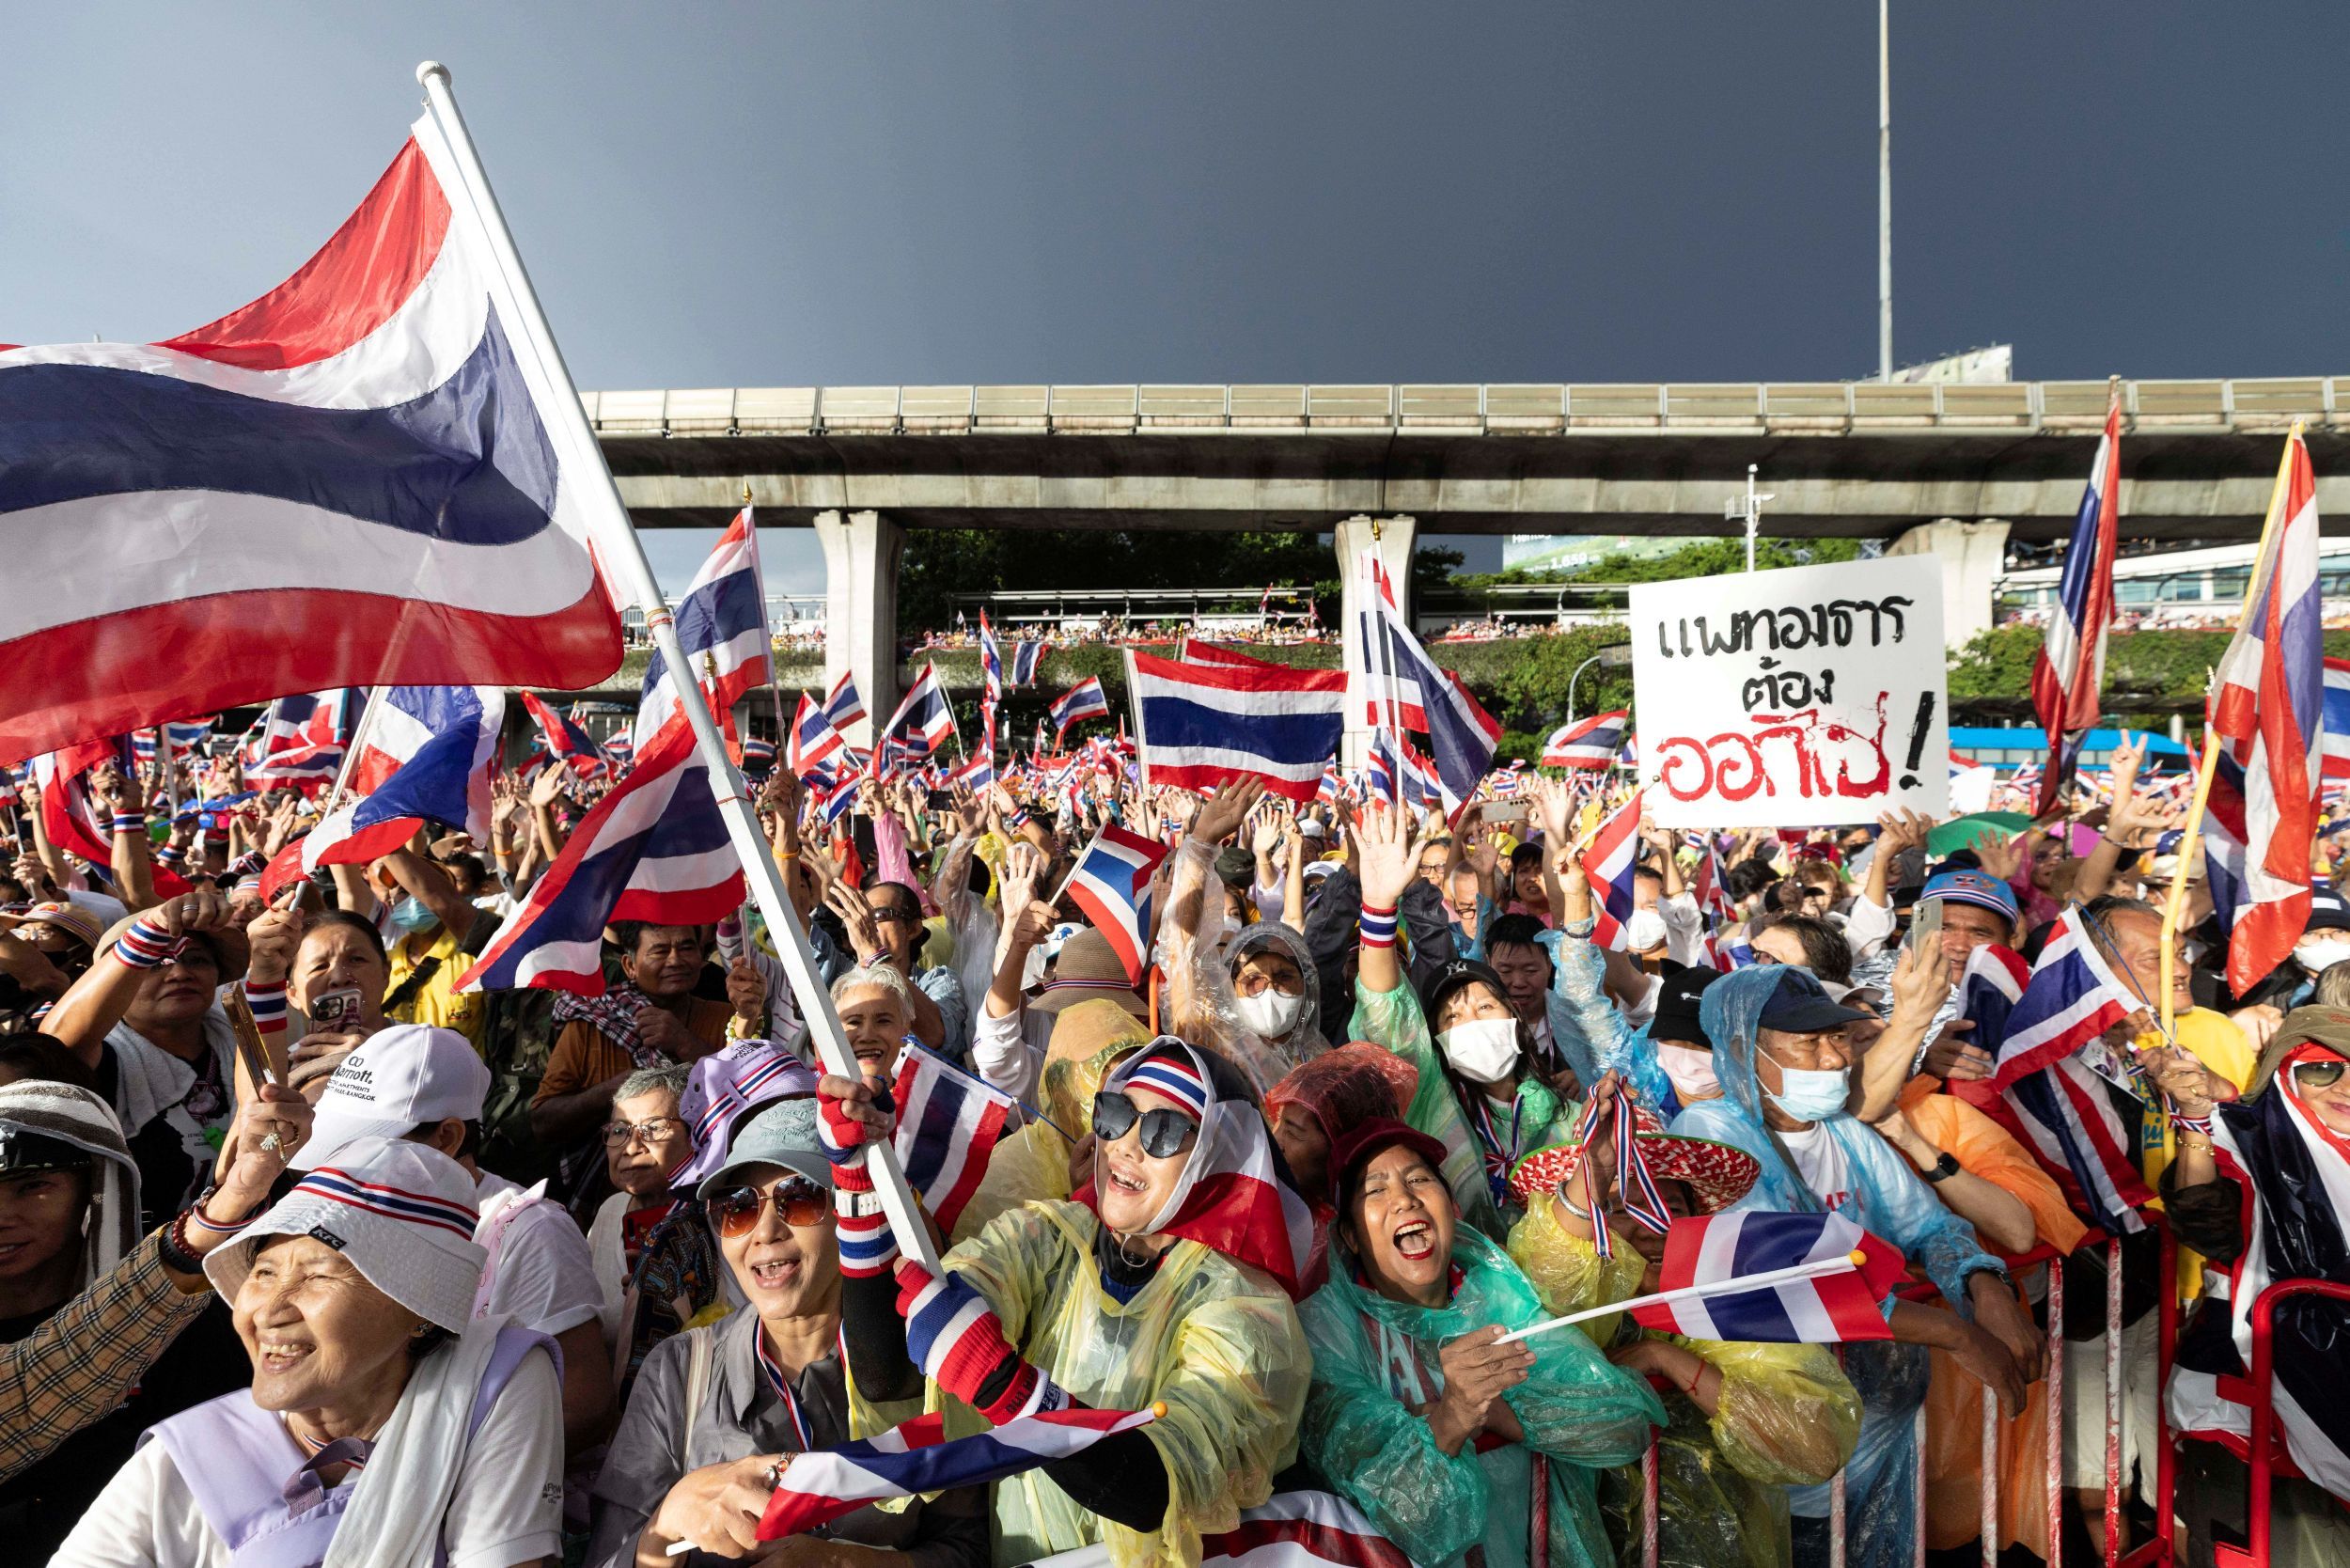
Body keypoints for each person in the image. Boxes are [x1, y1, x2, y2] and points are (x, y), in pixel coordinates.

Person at [833, 1036, 1315, 1568]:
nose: (1126, 1145)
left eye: (1165, 1131)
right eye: (1115, 1114)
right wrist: (861, 1188)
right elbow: (892, 1375)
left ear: (1212, 1158)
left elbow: (1160, 1485)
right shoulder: (1048, 1236)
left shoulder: (1246, 1307)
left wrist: (1005, 1387)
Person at [54, 1137, 566, 1568]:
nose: (270, 1311)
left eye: (318, 1275)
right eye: (265, 1273)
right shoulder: (185, 1460)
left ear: (421, 1311)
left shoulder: (488, 1386)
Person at [1671, 964, 2037, 1568]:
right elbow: (1788, 1276)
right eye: (1807, 1043)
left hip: (1876, 1447)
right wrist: (1953, 1330)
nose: (1832, 1058)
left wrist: (1984, 1285)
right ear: (1743, 1050)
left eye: (1837, 1038)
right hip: (1788, 1455)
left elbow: (1933, 1227)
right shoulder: (1709, 1133)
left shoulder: (1844, 1132)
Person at [587, 1096, 989, 1567]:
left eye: (798, 1198)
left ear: (854, 1215)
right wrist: (665, 1525)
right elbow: (605, 1556)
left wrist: (845, 1563)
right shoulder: (679, 1370)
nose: (764, 1231)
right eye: (737, 1208)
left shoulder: (927, 1357)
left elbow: (972, 1548)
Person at [1501, 1105, 1861, 1568]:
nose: (1650, 1228)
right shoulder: (1555, 1305)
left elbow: (1813, 1449)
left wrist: (1664, 1359)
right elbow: (1553, 1265)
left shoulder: (1730, 1305)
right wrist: (1590, 1177)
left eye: (1667, 1207)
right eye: (1618, 1207)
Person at [1297, 1118, 1664, 1568]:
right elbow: (1403, 1519)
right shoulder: (1330, 1334)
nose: (1405, 1199)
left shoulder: (1499, 1298)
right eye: (1375, 1190)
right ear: (1351, 1235)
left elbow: (1620, 1425)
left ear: (1451, 1208)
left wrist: (1497, 1411)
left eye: (1418, 1179)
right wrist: (1453, 1418)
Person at [294, 1023, 615, 1457]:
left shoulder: (529, 1232)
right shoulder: (345, 1217)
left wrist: (422, 1475)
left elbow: (582, 1407)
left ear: (447, 1137)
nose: (345, 1165)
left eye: (370, 1145)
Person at [2154, 1006, 2350, 1564]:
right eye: (2321, 1069)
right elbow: (2207, 1222)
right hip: (2257, 1413)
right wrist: (2197, 1123)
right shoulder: (2254, 1145)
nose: (2345, 1086)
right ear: (2286, 1072)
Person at [39, 892, 245, 1223]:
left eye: (196, 959)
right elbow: (54, 1047)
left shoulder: (243, 1041)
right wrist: (152, 929)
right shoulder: (104, 1058)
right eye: (153, 962)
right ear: (116, 984)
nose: (179, 973)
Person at [532, 923, 756, 1174]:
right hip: (614, 1190)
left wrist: (684, 1042)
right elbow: (542, 1122)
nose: (675, 960)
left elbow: (750, 1097)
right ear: (630, 966)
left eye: (686, 948)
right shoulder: (590, 1025)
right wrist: (617, 1091)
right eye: (660, 951)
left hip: (713, 1175)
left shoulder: (729, 1018)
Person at [586, 1063, 694, 1352]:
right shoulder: (611, 1211)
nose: (631, 1148)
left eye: (653, 1128)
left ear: (695, 1134)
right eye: (619, 1130)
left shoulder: (714, 1215)